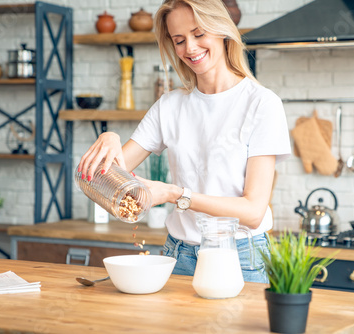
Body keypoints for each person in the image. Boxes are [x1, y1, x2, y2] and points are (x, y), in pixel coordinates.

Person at [77, 0, 291, 283]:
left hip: (238, 257)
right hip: (178, 255)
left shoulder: (262, 104)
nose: (189, 48)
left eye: (199, 34)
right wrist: (110, 137)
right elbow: (103, 177)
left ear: (222, 31)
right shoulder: (170, 105)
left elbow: (253, 211)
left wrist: (174, 194)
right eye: (179, 40)